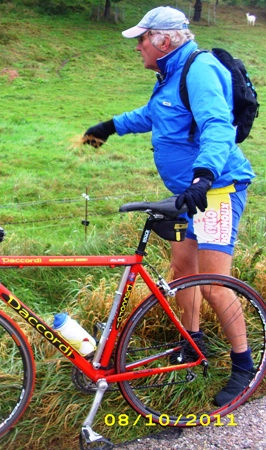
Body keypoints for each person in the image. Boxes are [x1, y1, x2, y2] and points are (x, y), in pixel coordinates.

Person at [83, 6, 256, 406]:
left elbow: (217, 124)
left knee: (213, 284)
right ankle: (191, 345)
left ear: (164, 40)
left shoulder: (199, 69)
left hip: (215, 191)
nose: (138, 47)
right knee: (182, 270)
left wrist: (204, 176)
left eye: (142, 39)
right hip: (189, 195)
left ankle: (244, 366)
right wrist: (110, 127)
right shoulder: (171, 74)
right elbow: (156, 115)